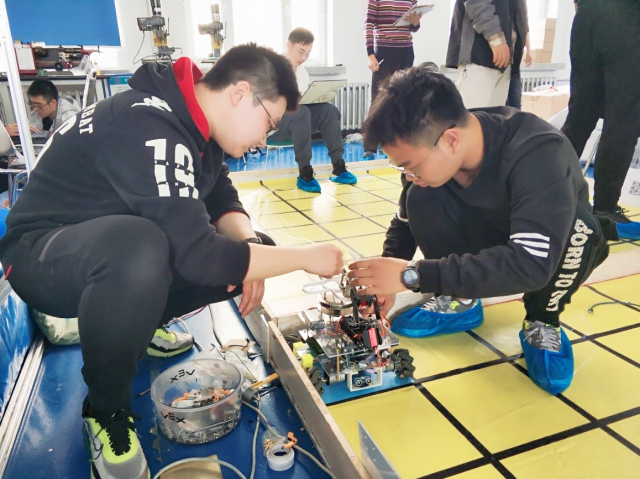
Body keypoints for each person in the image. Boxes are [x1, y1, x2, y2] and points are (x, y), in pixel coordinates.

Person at [0, 44, 343, 479]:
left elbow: (219, 195)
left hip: (94, 246)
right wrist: (305, 258)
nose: (264, 141)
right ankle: (104, 410)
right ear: (240, 93)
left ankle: (138, 326)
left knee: (251, 249)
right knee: (141, 248)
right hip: (39, 256)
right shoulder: (147, 123)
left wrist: (252, 245)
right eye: (269, 125)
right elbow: (200, 257)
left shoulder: (195, 126)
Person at [348, 67, 609, 396]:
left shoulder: (538, 151)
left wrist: (413, 275)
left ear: (451, 140)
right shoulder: (433, 140)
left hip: (549, 244)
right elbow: (404, 219)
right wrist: (385, 278)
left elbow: (530, 264)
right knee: (420, 197)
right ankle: (462, 298)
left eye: (410, 166)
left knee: (578, 232)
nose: (408, 175)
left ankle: (543, 320)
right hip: (495, 230)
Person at [561, 0, 640, 240]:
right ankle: (605, 210)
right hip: (628, 15)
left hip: (587, 13)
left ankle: (545, 191)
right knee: (623, 120)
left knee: (580, 113)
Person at [268, 27, 357, 193]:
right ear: (289, 45)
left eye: (308, 54)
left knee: (328, 110)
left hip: (296, 122)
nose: (304, 58)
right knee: (301, 112)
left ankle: (339, 167)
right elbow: (266, 106)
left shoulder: (303, 74)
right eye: (301, 51)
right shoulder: (271, 67)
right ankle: (305, 173)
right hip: (273, 127)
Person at [363, 0, 422, 159]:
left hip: (406, 51)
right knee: (378, 99)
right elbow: (368, 24)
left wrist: (415, 23)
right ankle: (370, 147)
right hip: (384, 51)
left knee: (402, 99)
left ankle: (392, 144)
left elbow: (414, 27)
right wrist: (370, 54)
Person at [447, 0, 525, 109]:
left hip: (505, 62)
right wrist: (496, 38)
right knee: (473, 116)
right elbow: (476, 3)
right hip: (479, 56)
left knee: (494, 118)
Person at [5, 79, 80, 136]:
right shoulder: (37, 113)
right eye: (33, 104)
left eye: (39, 105)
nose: (35, 109)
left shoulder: (70, 119)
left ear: (53, 103)